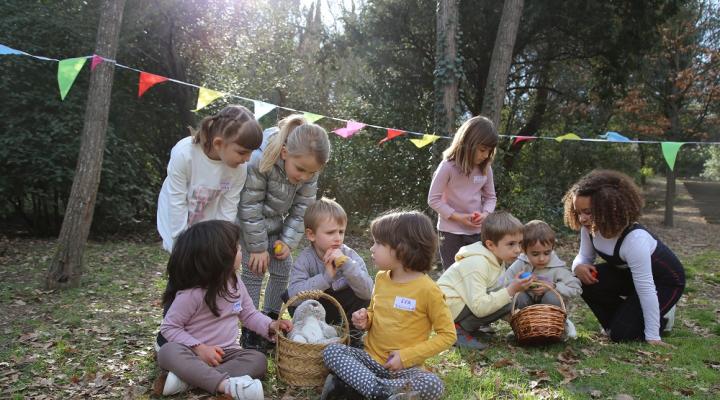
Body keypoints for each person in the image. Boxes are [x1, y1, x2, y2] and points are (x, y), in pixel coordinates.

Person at [320, 211, 456, 400]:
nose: (372, 249)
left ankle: (362, 389)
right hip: (369, 360)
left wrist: (406, 356)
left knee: (433, 384)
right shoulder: (382, 278)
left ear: (402, 248)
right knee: (332, 351)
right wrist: (366, 318)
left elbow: (448, 335)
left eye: (379, 243)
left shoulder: (429, 290)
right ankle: (381, 392)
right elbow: (375, 312)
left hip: (405, 370)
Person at [153, 220, 292, 399]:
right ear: (218, 257)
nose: (241, 249)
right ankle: (224, 385)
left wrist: (271, 325)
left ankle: (189, 380)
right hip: (192, 353)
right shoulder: (192, 294)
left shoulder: (235, 283)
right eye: (236, 247)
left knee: (258, 360)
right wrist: (200, 349)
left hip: (227, 354)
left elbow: (249, 314)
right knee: (167, 352)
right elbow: (169, 328)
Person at [236, 114, 331, 350]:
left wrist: (287, 241)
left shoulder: (308, 170)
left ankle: (270, 321)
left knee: (283, 267)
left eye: (311, 173)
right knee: (254, 270)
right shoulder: (260, 160)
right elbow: (249, 206)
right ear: (285, 153)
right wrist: (257, 248)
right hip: (249, 227)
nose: (304, 177)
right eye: (300, 170)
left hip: (276, 227)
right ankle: (249, 329)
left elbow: (302, 210)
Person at [563, 169, 685, 345]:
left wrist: (652, 337)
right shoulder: (588, 229)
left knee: (622, 336)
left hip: (664, 282)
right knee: (581, 279)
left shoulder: (635, 239)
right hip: (631, 276)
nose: (582, 218)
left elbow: (646, 288)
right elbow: (584, 256)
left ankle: (662, 320)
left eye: (588, 212)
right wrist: (578, 266)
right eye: (578, 212)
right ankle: (621, 321)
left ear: (605, 207)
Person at [157, 105, 262, 252]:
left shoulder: (240, 168)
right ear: (218, 143)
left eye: (251, 152)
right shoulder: (184, 155)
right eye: (242, 152)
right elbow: (176, 202)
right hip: (175, 223)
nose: (248, 159)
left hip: (207, 228)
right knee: (184, 269)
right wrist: (180, 245)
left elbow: (228, 207)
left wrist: (223, 242)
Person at [437, 211, 533, 349]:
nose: (518, 249)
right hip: (444, 312)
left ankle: (466, 327)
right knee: (509, 296)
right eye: (511, 244)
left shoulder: (497, 260)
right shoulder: (478, 264)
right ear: (490, 245)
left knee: (510, 296)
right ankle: (455, 330)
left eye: (520, 243)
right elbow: (480, 307)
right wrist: (511, 289)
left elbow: (496, 291)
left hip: (459, 307)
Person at [286, 197, 373, 347]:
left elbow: (368, 292)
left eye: (341, 232)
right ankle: (313, 335)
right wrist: (326, 278)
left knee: (361, 295)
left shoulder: (350, 256)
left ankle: (351, 337)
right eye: (331, 232)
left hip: (344, 312)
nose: (338, 238)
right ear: (311, 235)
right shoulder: (305, 259)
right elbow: (294, 296)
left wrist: (347, 265)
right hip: (317, 312)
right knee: (289, 295)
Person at [428, 116, 498, 270]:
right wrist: (458, 217)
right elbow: (433, 199)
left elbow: (491, 197)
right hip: (449, 232)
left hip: (477, 232)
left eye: (489, 151)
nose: (486, 155)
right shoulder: (447, 166)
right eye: (482, 150)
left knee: (476, 272)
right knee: (453, 273)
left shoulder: (486, 168)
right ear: (468, 144)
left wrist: (485, 214)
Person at [500, 220, 582, 339]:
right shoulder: (521, 264)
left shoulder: (558, 268)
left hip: (550, 313)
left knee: (551, 296)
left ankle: (558, 328)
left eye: (547, 252)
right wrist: (519, 285)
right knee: (519, 296)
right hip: (528, 309)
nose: (542, 258)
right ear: (524, 250)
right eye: (535, 254)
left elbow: (576, 288)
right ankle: (523, 327)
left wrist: (554, 286)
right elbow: (503, 282)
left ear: (552, 248)